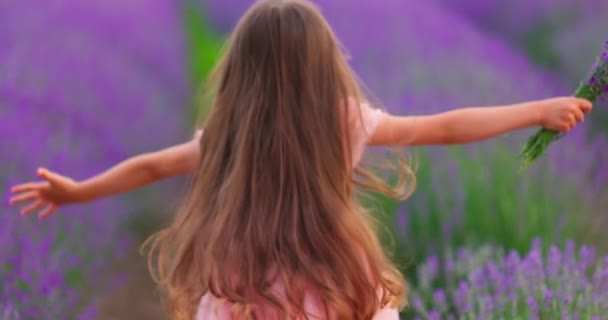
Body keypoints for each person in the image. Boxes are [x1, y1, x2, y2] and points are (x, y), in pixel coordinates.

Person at [9, 0, 592, 319]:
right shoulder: (344, 120)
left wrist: (76, 192)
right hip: (340, 288)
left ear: (242, 72)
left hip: (245, 294)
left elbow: (152, 168)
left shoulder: (229, 133)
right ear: (323, 64)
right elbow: (443, 128)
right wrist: (535, 108)